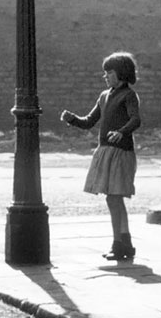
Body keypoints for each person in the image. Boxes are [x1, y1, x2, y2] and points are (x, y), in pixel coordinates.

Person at [60, 52, 141, 261]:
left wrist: (121, 132)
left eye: (110, 72)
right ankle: (124, 243)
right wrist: (72, 119)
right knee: (113, 199)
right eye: (105, 73)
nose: (105, 76)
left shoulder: (128, 95)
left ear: (121, 73)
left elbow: (136, 120)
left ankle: (120, 243)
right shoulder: (104, 96)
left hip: (121, 152)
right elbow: (89, 121)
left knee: (114, 198)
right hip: (106, 150)